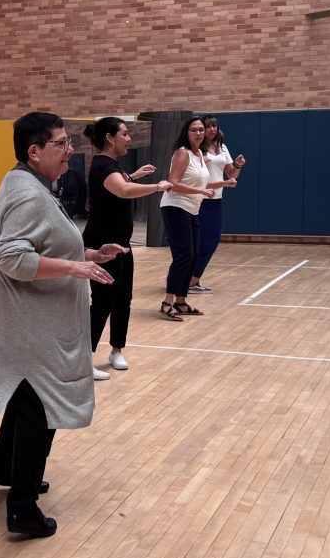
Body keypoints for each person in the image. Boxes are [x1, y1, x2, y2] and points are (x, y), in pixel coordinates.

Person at [0, 113, 128, 538]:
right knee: (38, 404)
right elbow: (11, 257)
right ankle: (22, 509)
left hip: (21, 316)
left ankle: (6, 470)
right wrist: (74, 267)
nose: (70, 151)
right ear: (34, 151)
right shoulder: (30, 194)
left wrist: (89, 254)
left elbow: (42, 242)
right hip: (24, 319)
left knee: (25, 394)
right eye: (62, 144)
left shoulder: (25, 182)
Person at [81, 117, 172, 376]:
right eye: (125, 133)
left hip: (122, 244)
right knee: (102, 301)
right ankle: (83, 358)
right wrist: (157, 186)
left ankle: (116, 350)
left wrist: (134, 175)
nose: (129, 138)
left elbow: (118, 184)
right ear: (110, 138)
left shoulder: (112, 166)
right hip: (103, 246)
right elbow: (121, 191)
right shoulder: (102, 164)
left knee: (123, 299)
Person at [158, 117, 223, 320]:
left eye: (201, 130)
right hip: (175, 207)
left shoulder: (199, 155)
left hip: (192, 209)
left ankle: (181, 301)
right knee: (184, 255)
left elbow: (200, 184)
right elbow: (173, 183)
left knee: (193, 255)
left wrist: (223, 184)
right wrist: (201, 191)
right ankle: (167, 302)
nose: (198, 133)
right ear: (186, 133)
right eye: (194, 130)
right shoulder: (182, 153)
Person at [188, 115, 246, 294]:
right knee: (198, 242)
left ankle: (191, 279)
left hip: (216, 200)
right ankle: (189, 280)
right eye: (208, 126)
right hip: (199, 199)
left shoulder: (222, 147)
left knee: (211, 241)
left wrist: (237, 165)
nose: (212, 129)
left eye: (214, 126)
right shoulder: (196, 149)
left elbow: (231, 174)